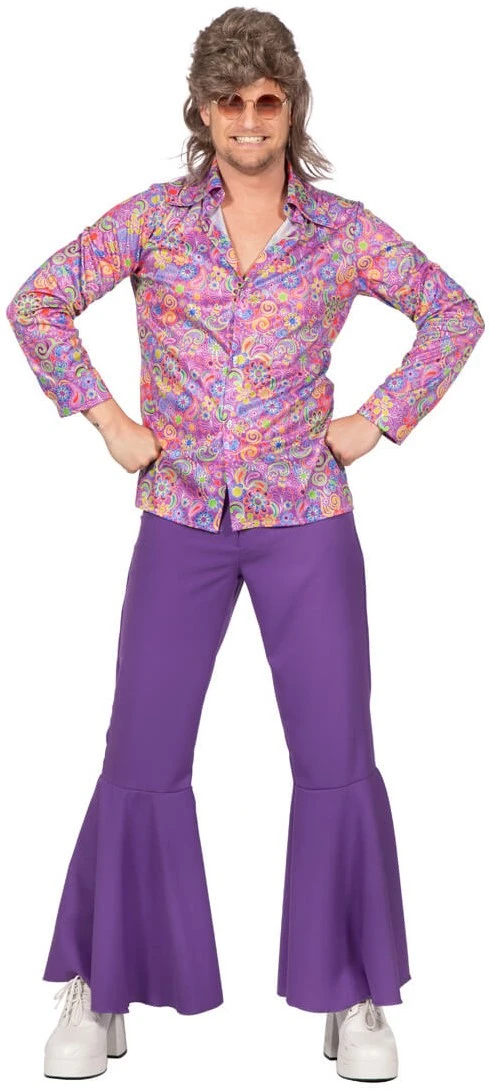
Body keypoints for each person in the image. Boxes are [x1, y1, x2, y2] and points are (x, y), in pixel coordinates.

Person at [6, 6, 485, 1083]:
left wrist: (377, 419)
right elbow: (37, 302)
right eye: (230, 101)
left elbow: (454, 313)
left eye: (267, 99)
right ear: (203, 111)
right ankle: (100, 982)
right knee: (140, 748)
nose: (250, 119)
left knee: (335, 754)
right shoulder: (152, 221)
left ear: (291, 106)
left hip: (306, 518)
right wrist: (109, 423)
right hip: (180, 517)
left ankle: (353, 991)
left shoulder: (343, 232)